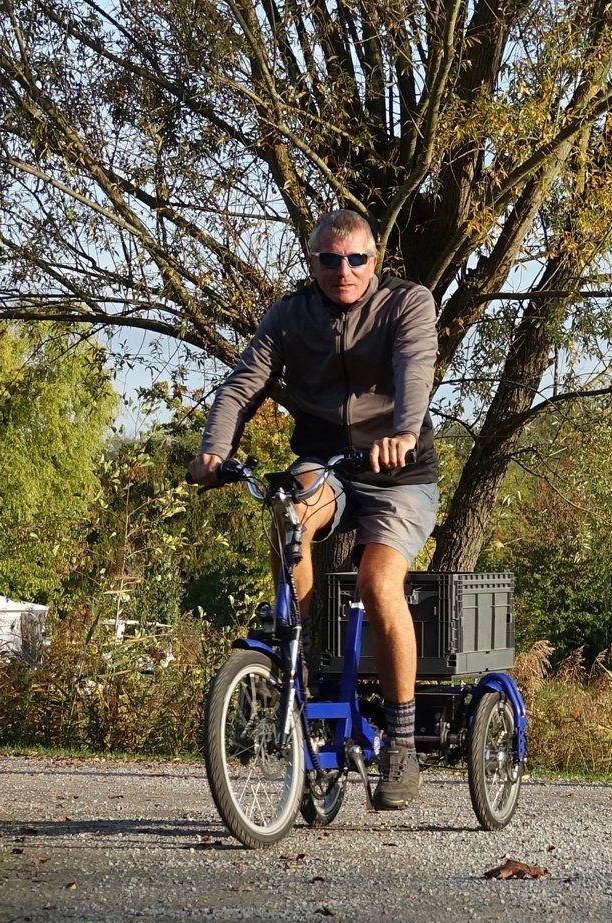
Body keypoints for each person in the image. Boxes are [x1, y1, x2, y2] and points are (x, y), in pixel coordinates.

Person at [188, 209, 439, 809]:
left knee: (378, 584)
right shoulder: (290, 315)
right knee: (289, 511)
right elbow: (242, 385)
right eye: (329, 259)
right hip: (327, 464)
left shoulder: (407, 303)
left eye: (355, 259)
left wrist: (404, 433)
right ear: (313, 262)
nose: (342, 270)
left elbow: (415, 369)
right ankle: (295, 659)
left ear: (374, 261)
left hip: (398, 473)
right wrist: (214, 451)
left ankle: (402, 743)